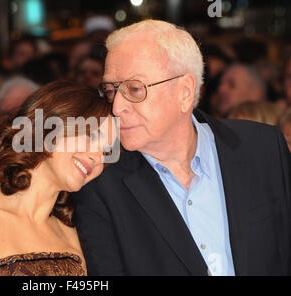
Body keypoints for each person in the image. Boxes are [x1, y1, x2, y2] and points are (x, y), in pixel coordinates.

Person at [72, 19, 291, 276]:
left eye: (134, 89)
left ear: (185, 91)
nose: (117, 106)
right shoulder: (100, 182)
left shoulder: (263, 148)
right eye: (110, 90)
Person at [0, 80, 115, 276]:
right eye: (93, 137)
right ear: (53, 123)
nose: (97, 158)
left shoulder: (68, 233)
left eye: (106, 152)